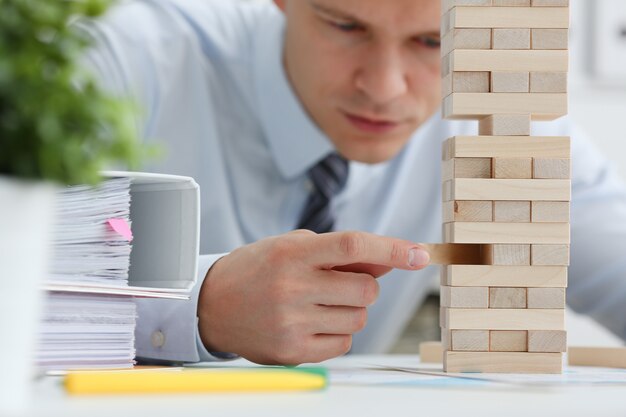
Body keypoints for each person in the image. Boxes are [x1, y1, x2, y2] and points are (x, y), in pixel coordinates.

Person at [81, 0, 626, 365]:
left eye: (434, 42)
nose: (384, 88)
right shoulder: (121, 57)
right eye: (346, 26)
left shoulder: (494, 106)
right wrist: (199, 304)